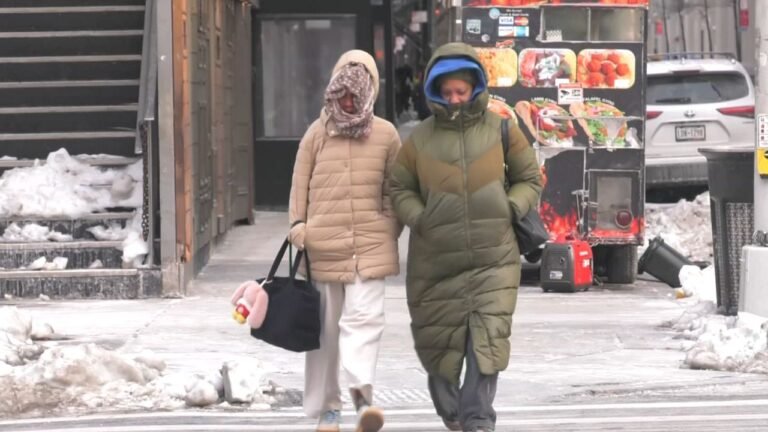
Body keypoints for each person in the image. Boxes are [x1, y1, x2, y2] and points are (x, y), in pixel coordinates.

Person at [389, 42, 542, 432]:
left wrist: (510, 207)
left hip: (495, 260)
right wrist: (420, 218)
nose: (455, 99)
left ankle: (478, 421)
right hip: (436, 262)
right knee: (438, 351)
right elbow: (399, 188)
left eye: (462, 91)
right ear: (435, 92)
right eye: (447, 92)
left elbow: (529, 179)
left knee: (485, 345)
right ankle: (453, 414)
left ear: (476, 87)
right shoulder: (420, 139)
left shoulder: (502, 129)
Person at [287, 49, 402, 432]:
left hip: (370, 246)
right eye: (343, 94)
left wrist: (390, 226)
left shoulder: (386, 134)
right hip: (322, 247)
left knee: (365, 321)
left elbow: (395, 190)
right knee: (326, 333)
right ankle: (327, 410)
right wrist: (299, 229)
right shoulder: (316, 133)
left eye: (357, 94)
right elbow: (298, 188)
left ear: (370, 91)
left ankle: (360, 397)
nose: (349, 102)